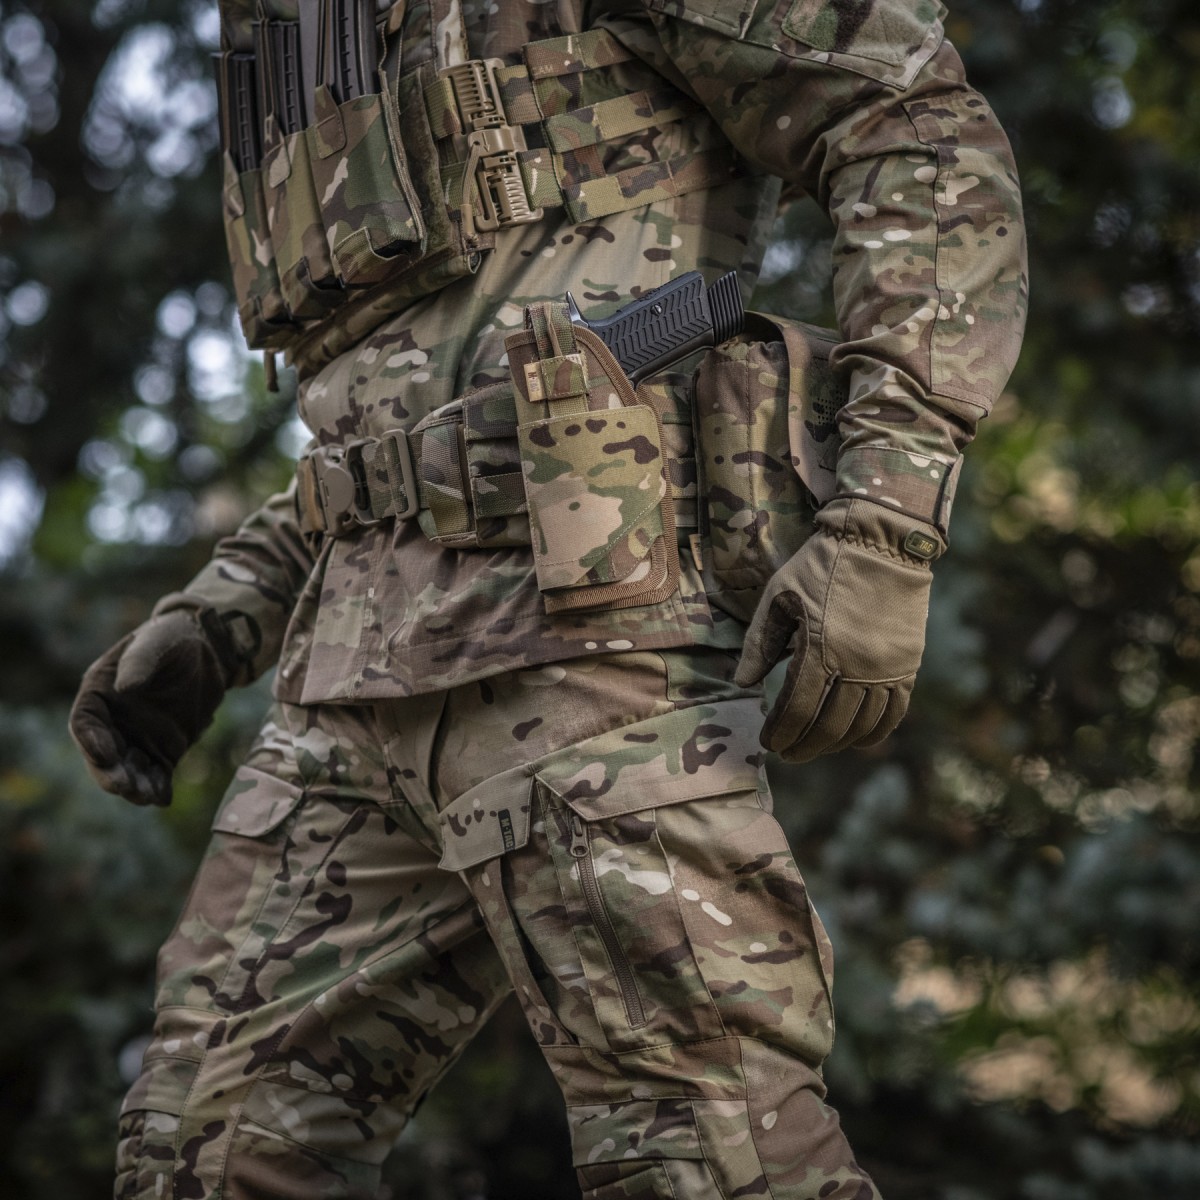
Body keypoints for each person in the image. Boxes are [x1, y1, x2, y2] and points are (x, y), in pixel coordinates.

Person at [70, 1, 1027, 1196]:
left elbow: (915, 128)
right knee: (199, 1158)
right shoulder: (318, 27)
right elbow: (399, 398)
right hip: (347, 683)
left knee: (711, 1161)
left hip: (596, 638)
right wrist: (231, 606)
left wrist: (887, 518)